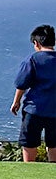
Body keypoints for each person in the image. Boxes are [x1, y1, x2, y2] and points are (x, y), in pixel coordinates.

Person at [11, 24, 56, 163]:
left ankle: (29, 172)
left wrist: (16, 101)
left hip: (34, 109)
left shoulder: (32, 60)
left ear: (36, 43)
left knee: (29, 144)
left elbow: (21, 83)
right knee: (54, 145)